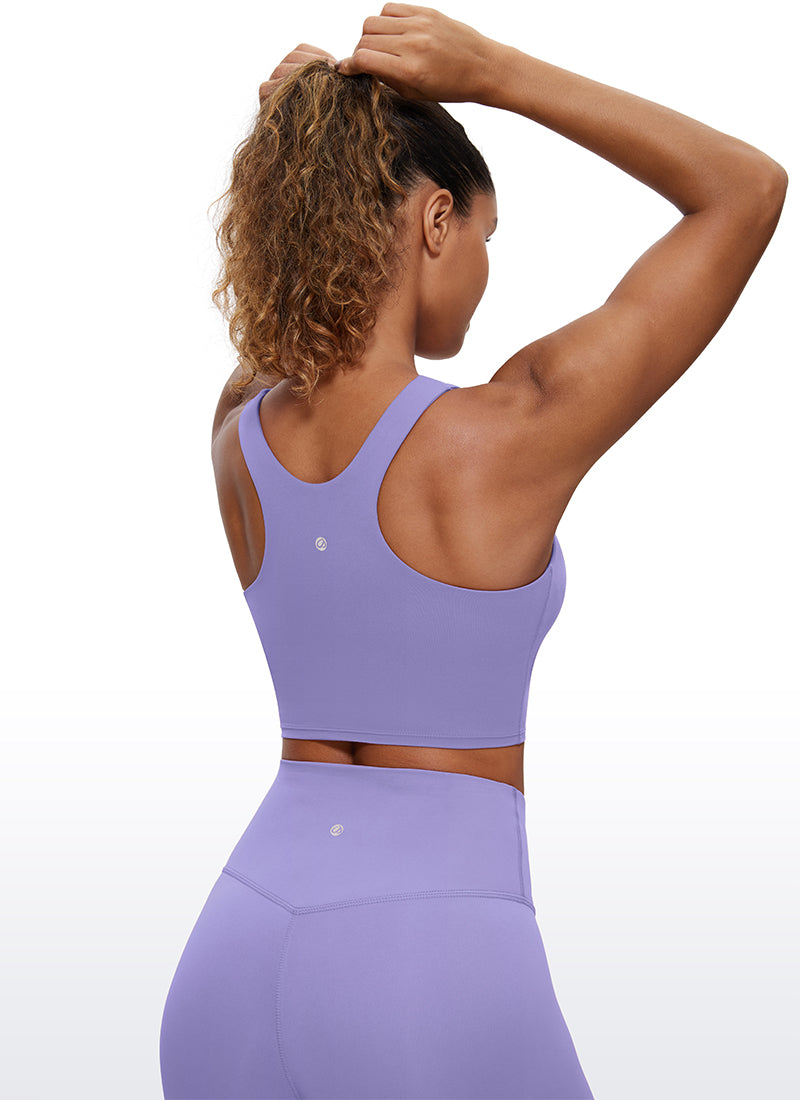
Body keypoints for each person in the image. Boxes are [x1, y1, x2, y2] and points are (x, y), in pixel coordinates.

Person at [159, 5, 787, 1098]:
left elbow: (296, 326)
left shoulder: (240, 428)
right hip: (425, 959)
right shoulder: (506, 434)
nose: (488, 266)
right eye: (488, 234)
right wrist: (493, 73)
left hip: (232, 952)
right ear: (436, 220)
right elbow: (746, 189)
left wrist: (303, 130)